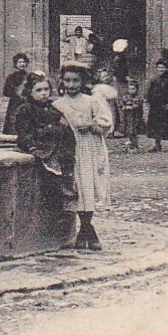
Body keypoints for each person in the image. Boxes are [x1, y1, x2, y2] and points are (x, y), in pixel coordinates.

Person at [52, 64, 113, 250]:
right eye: (68, 80)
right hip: (70, 150)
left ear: (83, 81)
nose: (71, 85)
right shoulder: (57, 104)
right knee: (77, 188)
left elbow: (106, 123)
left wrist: (92, 125)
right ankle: (88, 231)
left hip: (89, 148)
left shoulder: (91, 101)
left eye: (75, 80)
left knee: (89, 186)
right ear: (62, 81)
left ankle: (86, 229)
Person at [13, 73, 77, 204]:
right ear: (30, 92)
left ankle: (66, 188)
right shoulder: (25, 109)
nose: (43, 93)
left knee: (66, 158)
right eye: (39, 90)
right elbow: (24, 133)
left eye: (46, 89)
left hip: (55, 144)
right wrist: (32, 146)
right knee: (48, 175)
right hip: (39, 145)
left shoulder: (53, 108)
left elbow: (64, 127)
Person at [2, 52, 32, 136]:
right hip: (15, 104)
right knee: (13, 123)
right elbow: (6, 92)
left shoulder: (30, 76)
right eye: (19, 62)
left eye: (23, 62)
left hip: (26, 103)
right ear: (16, 64)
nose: (22, 64)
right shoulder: (11, 77)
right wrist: (15, 93)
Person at [91, 63, 120, 134]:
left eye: (107, 76)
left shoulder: (96, 87)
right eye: (104, 77)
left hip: (100, 104)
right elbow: (114, 94)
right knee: (108, 116)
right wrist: (115, 84)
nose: (106, 78)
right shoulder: (103, 87)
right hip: (103, 105)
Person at [117, 76, 144, 150]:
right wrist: (124, 107)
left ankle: (134, 144)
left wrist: (131, 107)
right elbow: (121, 104)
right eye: (129, 89)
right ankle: (131, 143)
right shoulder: (126, 97)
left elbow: (137, 105)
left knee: (133, 131)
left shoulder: (138, 98)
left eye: (133, 89)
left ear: (136, 89)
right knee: (128, 131)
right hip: (127, 118)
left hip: (135, 117)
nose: (131, 91)